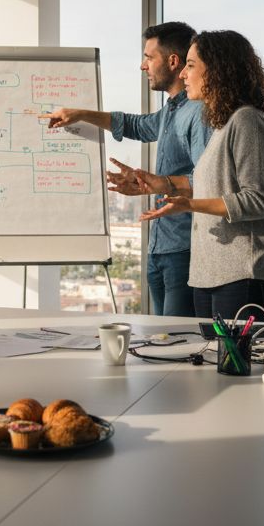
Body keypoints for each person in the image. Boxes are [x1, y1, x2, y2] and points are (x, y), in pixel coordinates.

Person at [39, 22, 210, 317]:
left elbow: (209, 182)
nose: (143, 66)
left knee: (177, 338)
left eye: (149, 57)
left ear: (173, 61)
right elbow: (136, 125)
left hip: (185, 248)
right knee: (162, 337)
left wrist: (160, 183)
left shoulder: (197, 112)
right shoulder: (172, 110)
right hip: (161, 247)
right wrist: (80, 114)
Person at [138, 30, 264, 322]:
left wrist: (190, 205)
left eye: (191, 65)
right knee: (206, 354)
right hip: (208, 276)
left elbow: (257, 200)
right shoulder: (221, 127)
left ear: (218, 71)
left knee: (232, 354)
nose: (183, 74)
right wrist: (164, 186)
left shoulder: (247, 121)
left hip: (242, 276)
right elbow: (215, 188)